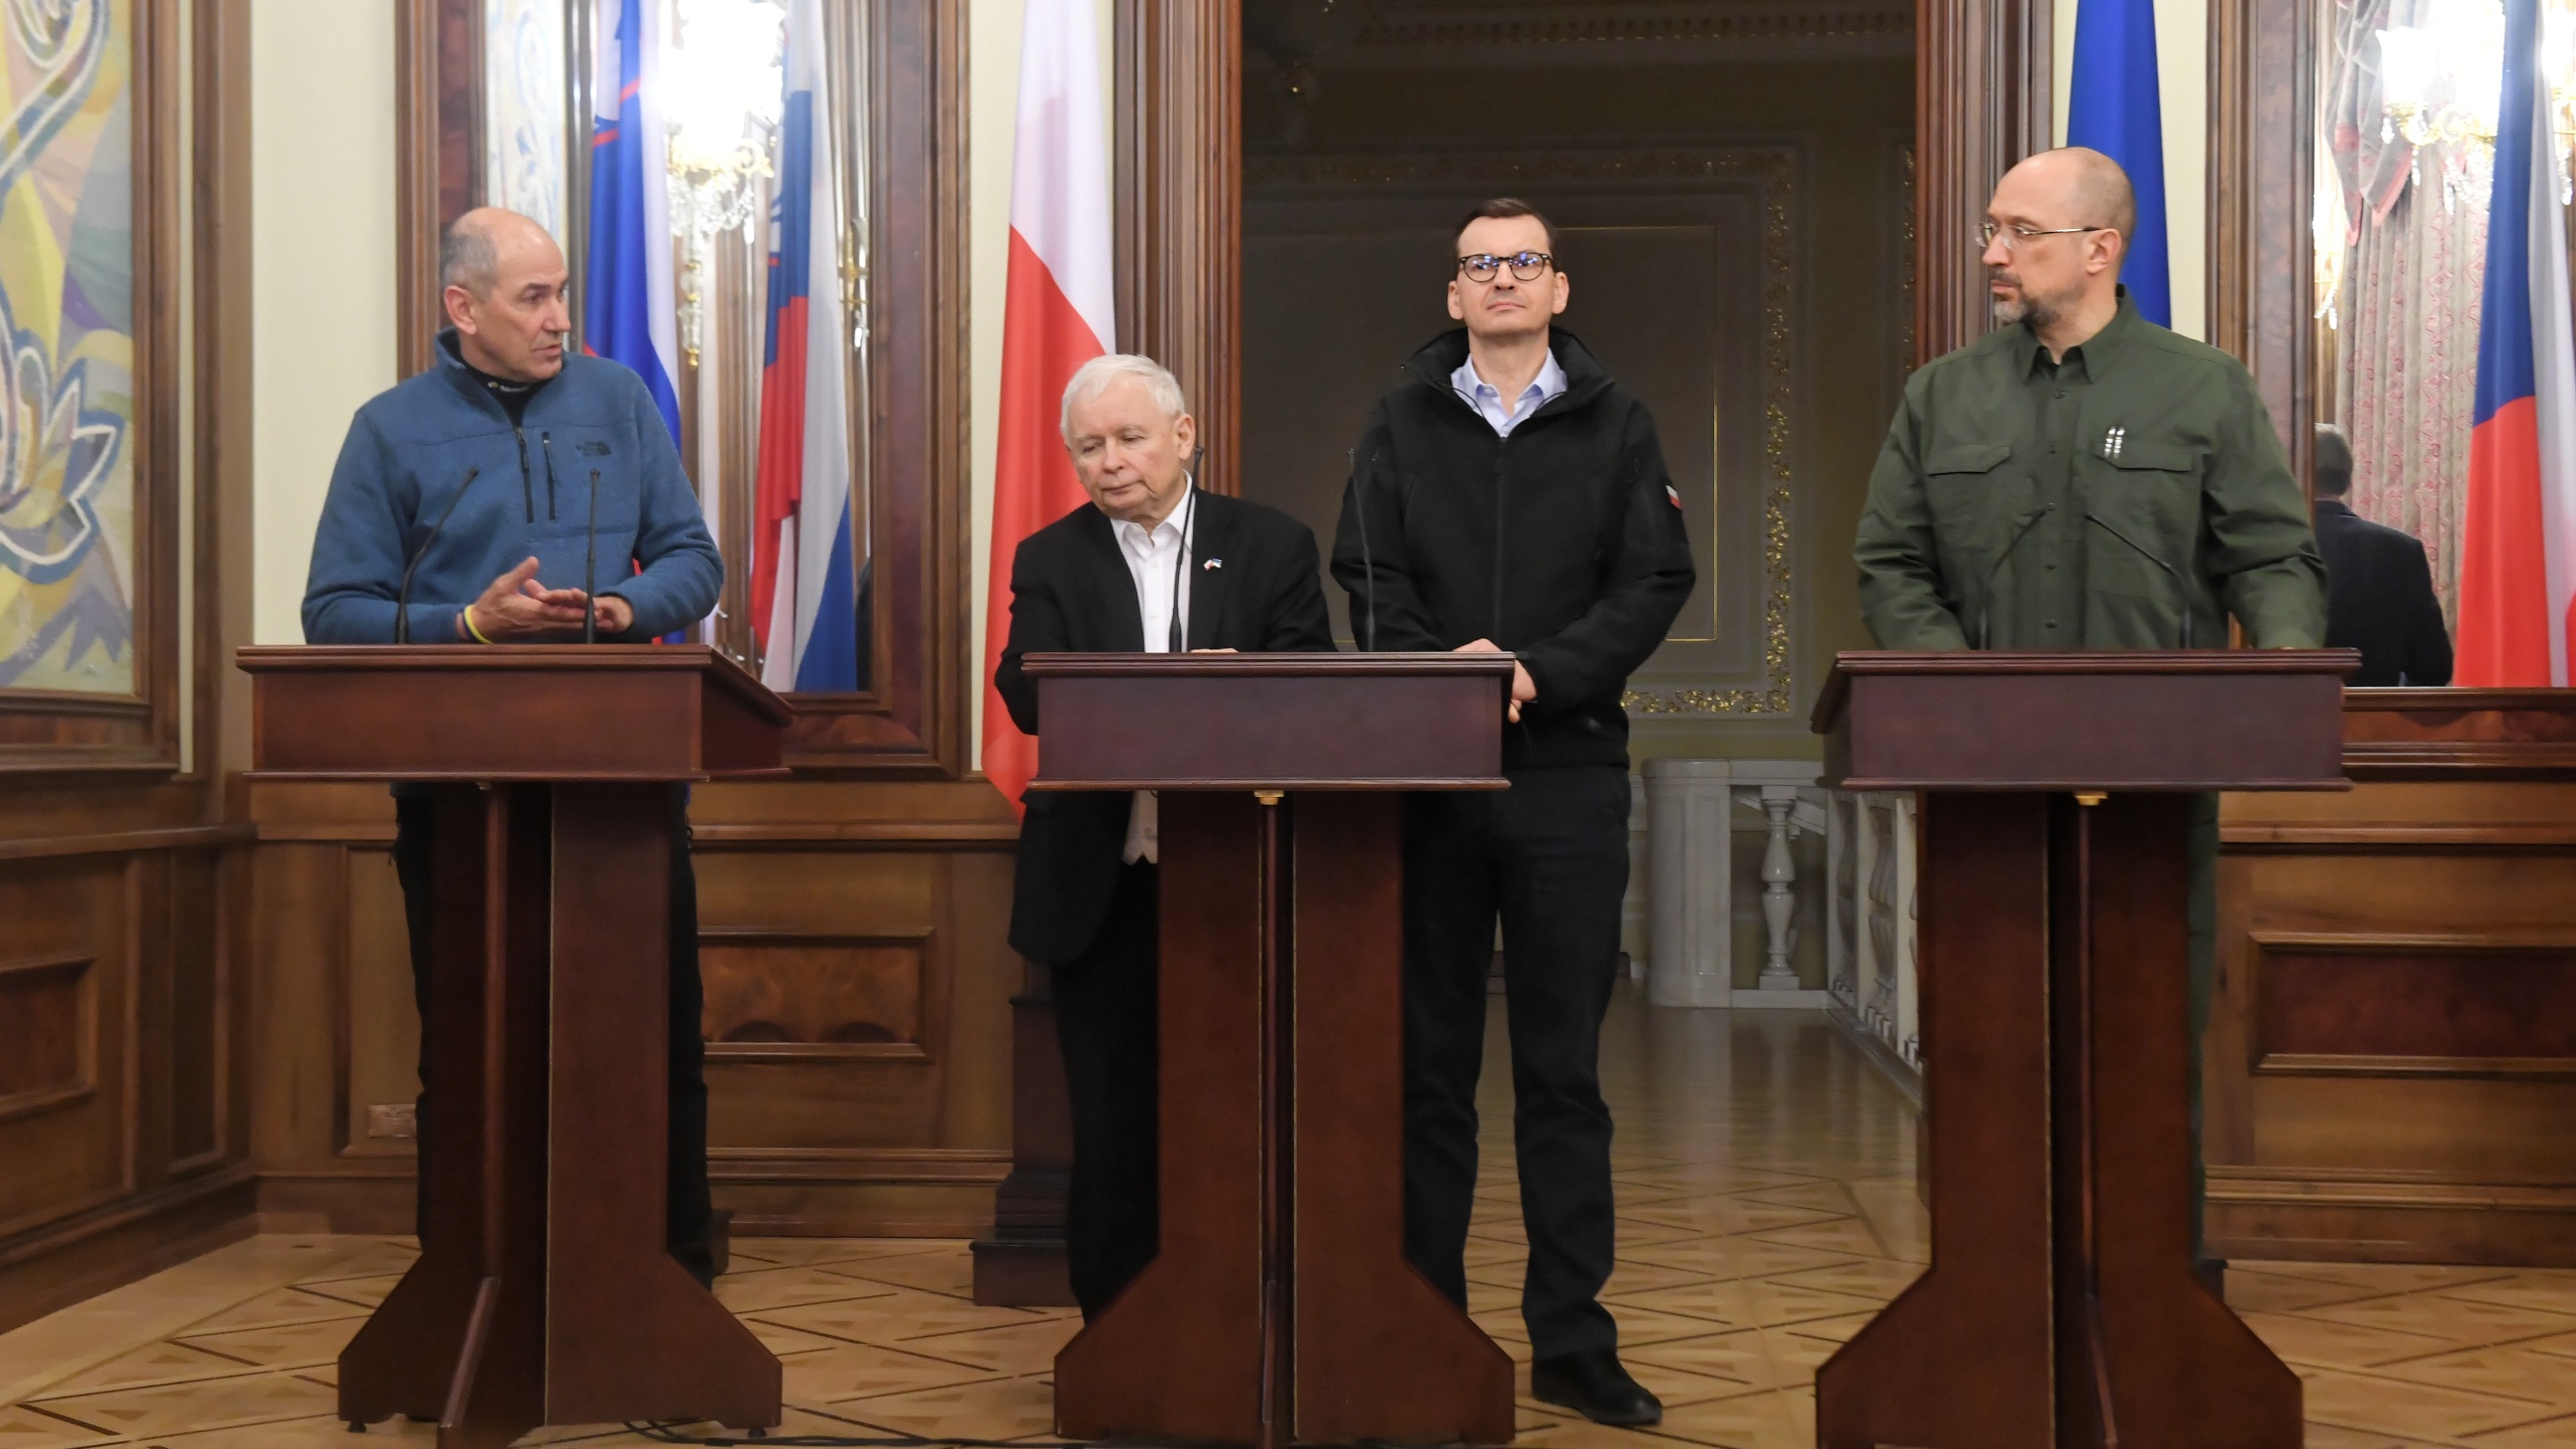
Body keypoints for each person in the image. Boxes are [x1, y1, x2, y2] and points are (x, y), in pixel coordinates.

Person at [1851, 147, 2327, 1279]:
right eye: (1990, 228)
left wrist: (2286, 675)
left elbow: (2267, 554)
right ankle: (1990, 1273)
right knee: (1985, 1040)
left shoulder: (2198, 388)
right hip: (1986, 795)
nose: (1990, 254)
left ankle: (2159, 1281)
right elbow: (1890, 563)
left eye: (2018, 232)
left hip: (2153, 791)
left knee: (2147, 1041)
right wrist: (1956, 698)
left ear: (2099, 250)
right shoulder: (1941, 395)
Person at [302, 207, 724, 1282]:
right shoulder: (388, 428)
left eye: (563, 292)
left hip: (620, 784)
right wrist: (470, 626)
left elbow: (691, 557)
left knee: (651, 1028)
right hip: (460, 788)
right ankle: (470, 1260)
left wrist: (625, 611)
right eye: (533, 298)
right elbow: (335, 610)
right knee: (472, 1039)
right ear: (463, 307)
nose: (559, 318)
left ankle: (665, 1261)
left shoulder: (617, 400)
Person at [1332, 198, 1694, 1428]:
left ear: (1556, 288)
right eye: (1478, 265)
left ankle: (1571, 1342)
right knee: (1426, 1072)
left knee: (1561, 1075)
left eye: (1520, 264)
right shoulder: (1397, 419)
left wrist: (1532, 671)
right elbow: (1363, 576)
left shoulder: (1617, 419)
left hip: (1566, 775)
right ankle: (1424, 1324)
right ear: (1452, 295)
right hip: (1427, 784)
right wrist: (1450, 677)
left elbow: (1652, 578)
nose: (1499, 281)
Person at [995, 354, 1336, 1322]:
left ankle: (1238, 1318)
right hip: (1098, 886)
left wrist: (1239, 688)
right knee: (1110, 1128)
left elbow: (1314, 688)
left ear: (1182, 437)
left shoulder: (1268, 544)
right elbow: (1023, 691)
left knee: (1230, 1116)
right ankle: (1118, 1342)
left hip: (1235, 876)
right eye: (1088, 447)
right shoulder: (1049, 556)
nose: (1109, 463)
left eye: (1129, 438)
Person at [2313, 423, 2453, 686]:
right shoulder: (2401, 550)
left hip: (2274, 720)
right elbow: (2434, 668)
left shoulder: (2267, 547)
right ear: (2348, 478)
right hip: (2375, 722)